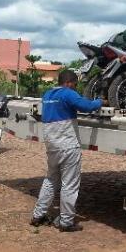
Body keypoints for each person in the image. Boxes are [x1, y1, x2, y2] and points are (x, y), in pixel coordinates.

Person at [31, 70, 103, 232]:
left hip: (52, 147)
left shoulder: (48, 95)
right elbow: (87, 106)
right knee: (69, 185)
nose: (75, 88)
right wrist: (99, 101)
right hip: (68, 147)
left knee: (50, 180)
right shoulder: (68, 94)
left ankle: (38, 214)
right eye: (75, 85)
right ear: (70, 82)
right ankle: (66, 222)